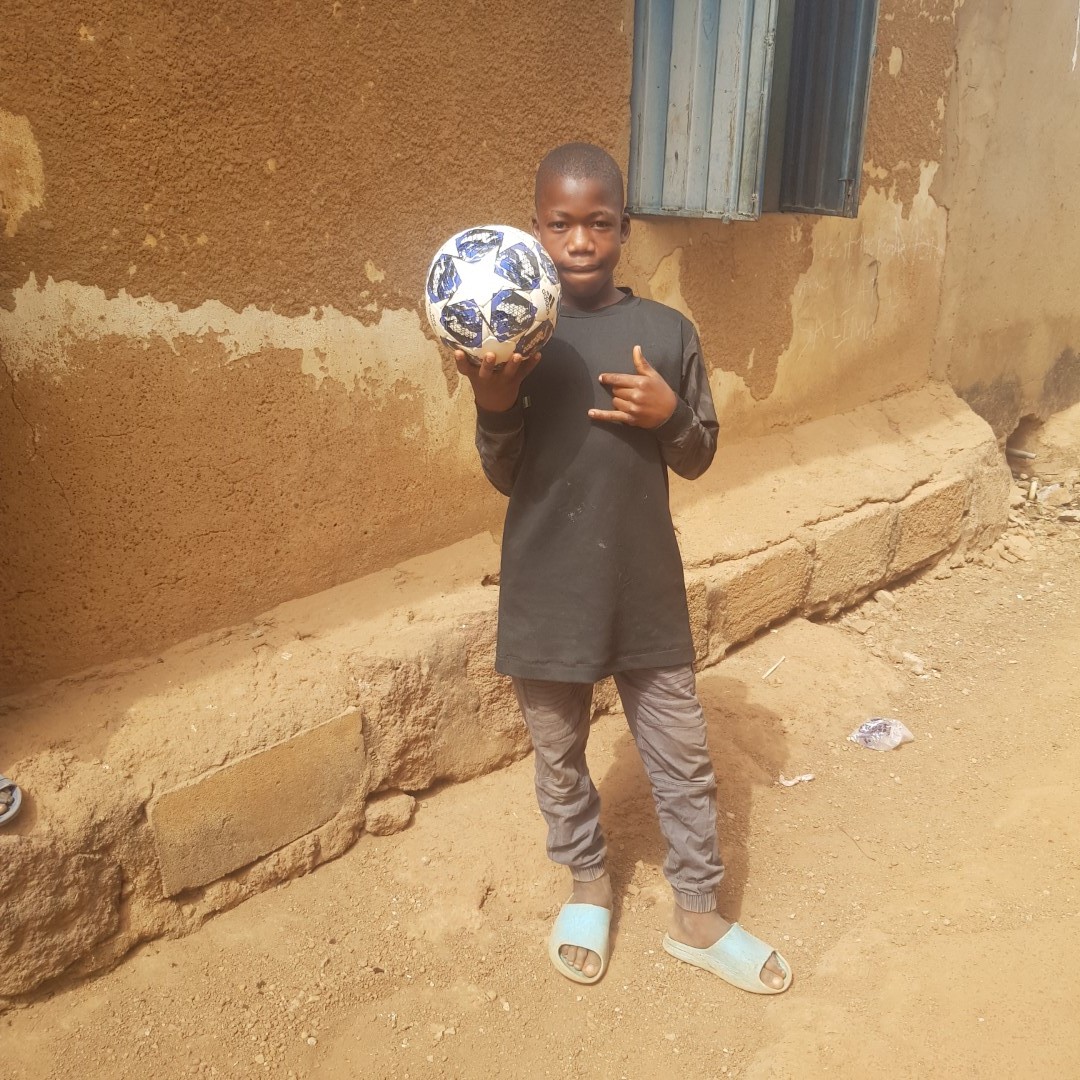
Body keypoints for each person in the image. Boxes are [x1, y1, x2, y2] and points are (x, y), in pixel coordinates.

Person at [453, 142, 790, 994]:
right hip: (546, 589)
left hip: (643, 588)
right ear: (534, 229)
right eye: (560, 223)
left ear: (625, 228)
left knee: (682, 756)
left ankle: (697, 913)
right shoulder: (514, 339)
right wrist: (494, 403)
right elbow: (504, 473)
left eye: (599, 222)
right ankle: (587, 884)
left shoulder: (668, 334)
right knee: (558, 754)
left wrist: (670, 414)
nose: (580, 241)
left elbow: (698, 456)